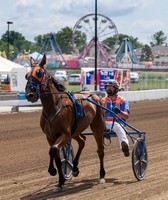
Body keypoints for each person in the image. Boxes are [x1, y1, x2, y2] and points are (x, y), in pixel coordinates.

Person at [102, 79, 130, 157]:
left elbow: (126, 116)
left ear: (116, 88)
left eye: (110, 87)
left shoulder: (122, 100)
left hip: (118, 123)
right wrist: (104, 112)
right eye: (107, 87)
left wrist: (119, 112)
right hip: (105, 124)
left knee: (118, 127)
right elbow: (100, 116)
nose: (108, 89)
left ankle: (125, 146)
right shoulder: (102, 101)